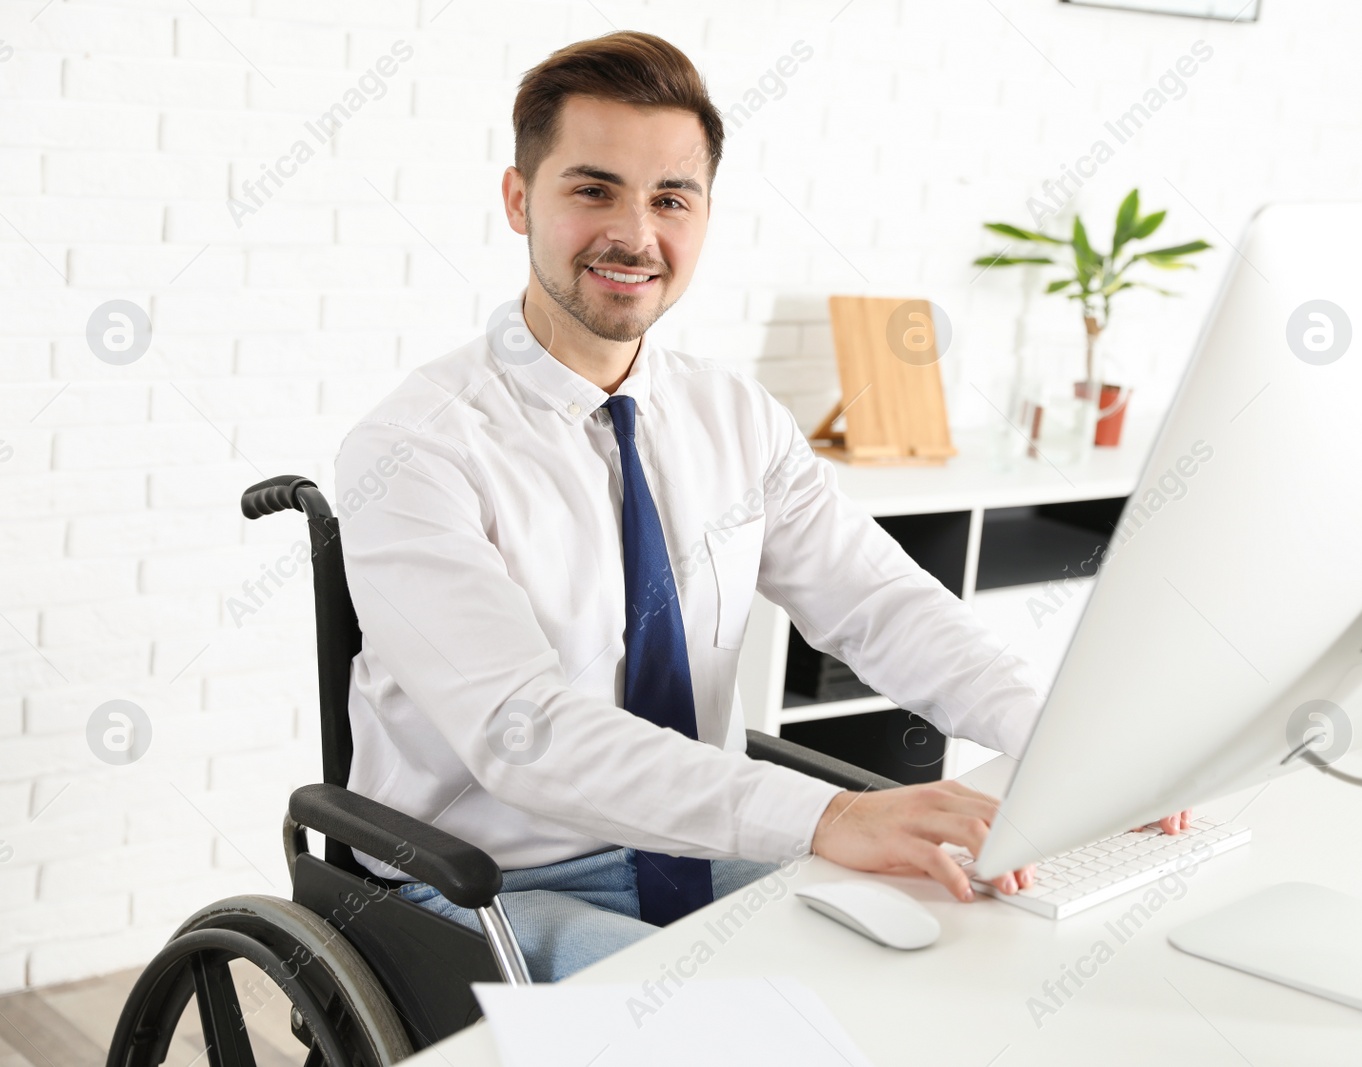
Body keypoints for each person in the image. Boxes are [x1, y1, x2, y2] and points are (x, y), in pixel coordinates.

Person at [335, 30, 1188, 982]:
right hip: (488, 884)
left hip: (689, 842)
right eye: (592, 189)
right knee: (743, 1031)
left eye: (670, 198)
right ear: (517, 199)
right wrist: (826, 816)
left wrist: (1060, 742)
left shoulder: (734, 416)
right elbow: (524, 731)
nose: (635, 234)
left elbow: (878, 604)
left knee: (945, 957)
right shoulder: (415, 448)